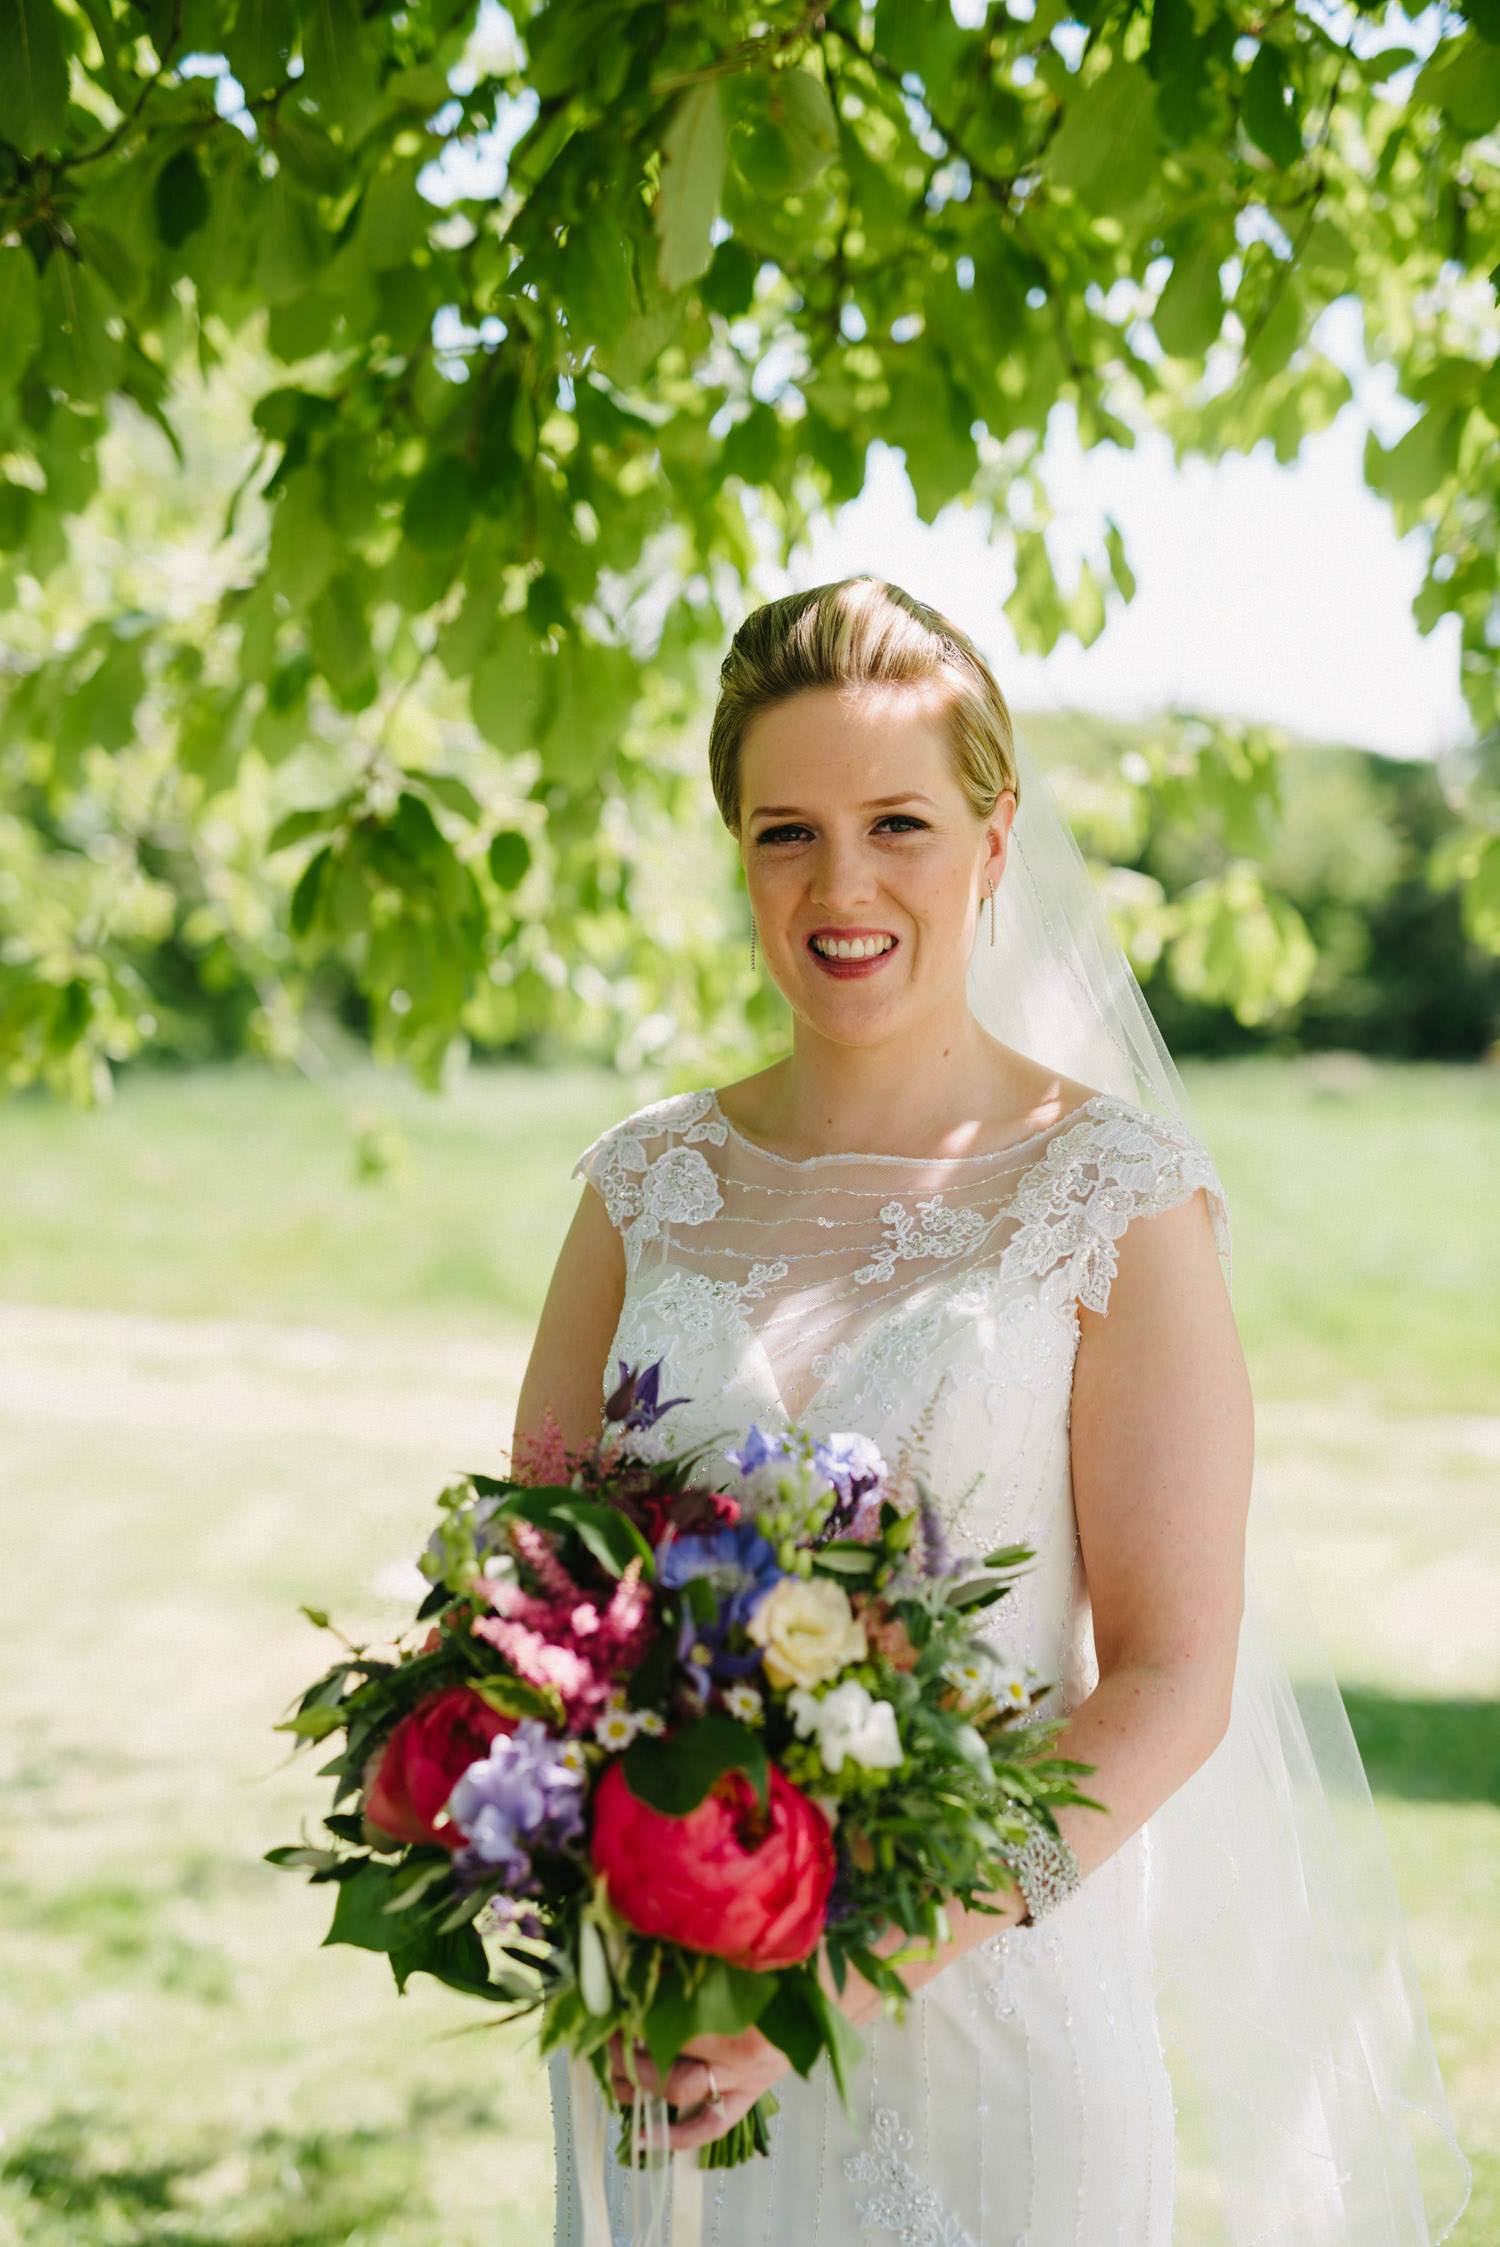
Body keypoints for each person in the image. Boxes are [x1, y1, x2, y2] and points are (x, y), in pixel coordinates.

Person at [515, 580, 1467, 2246]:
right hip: (674, 2025)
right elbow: (541, 1602)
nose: (843, 887)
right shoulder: (640, 1189)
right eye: (787, 834)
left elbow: (1170, 1680)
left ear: (994, 839)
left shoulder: (1114, 1196)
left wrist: (828, 1970)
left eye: (898, 823)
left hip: (991, 2046)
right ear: (737, 850)